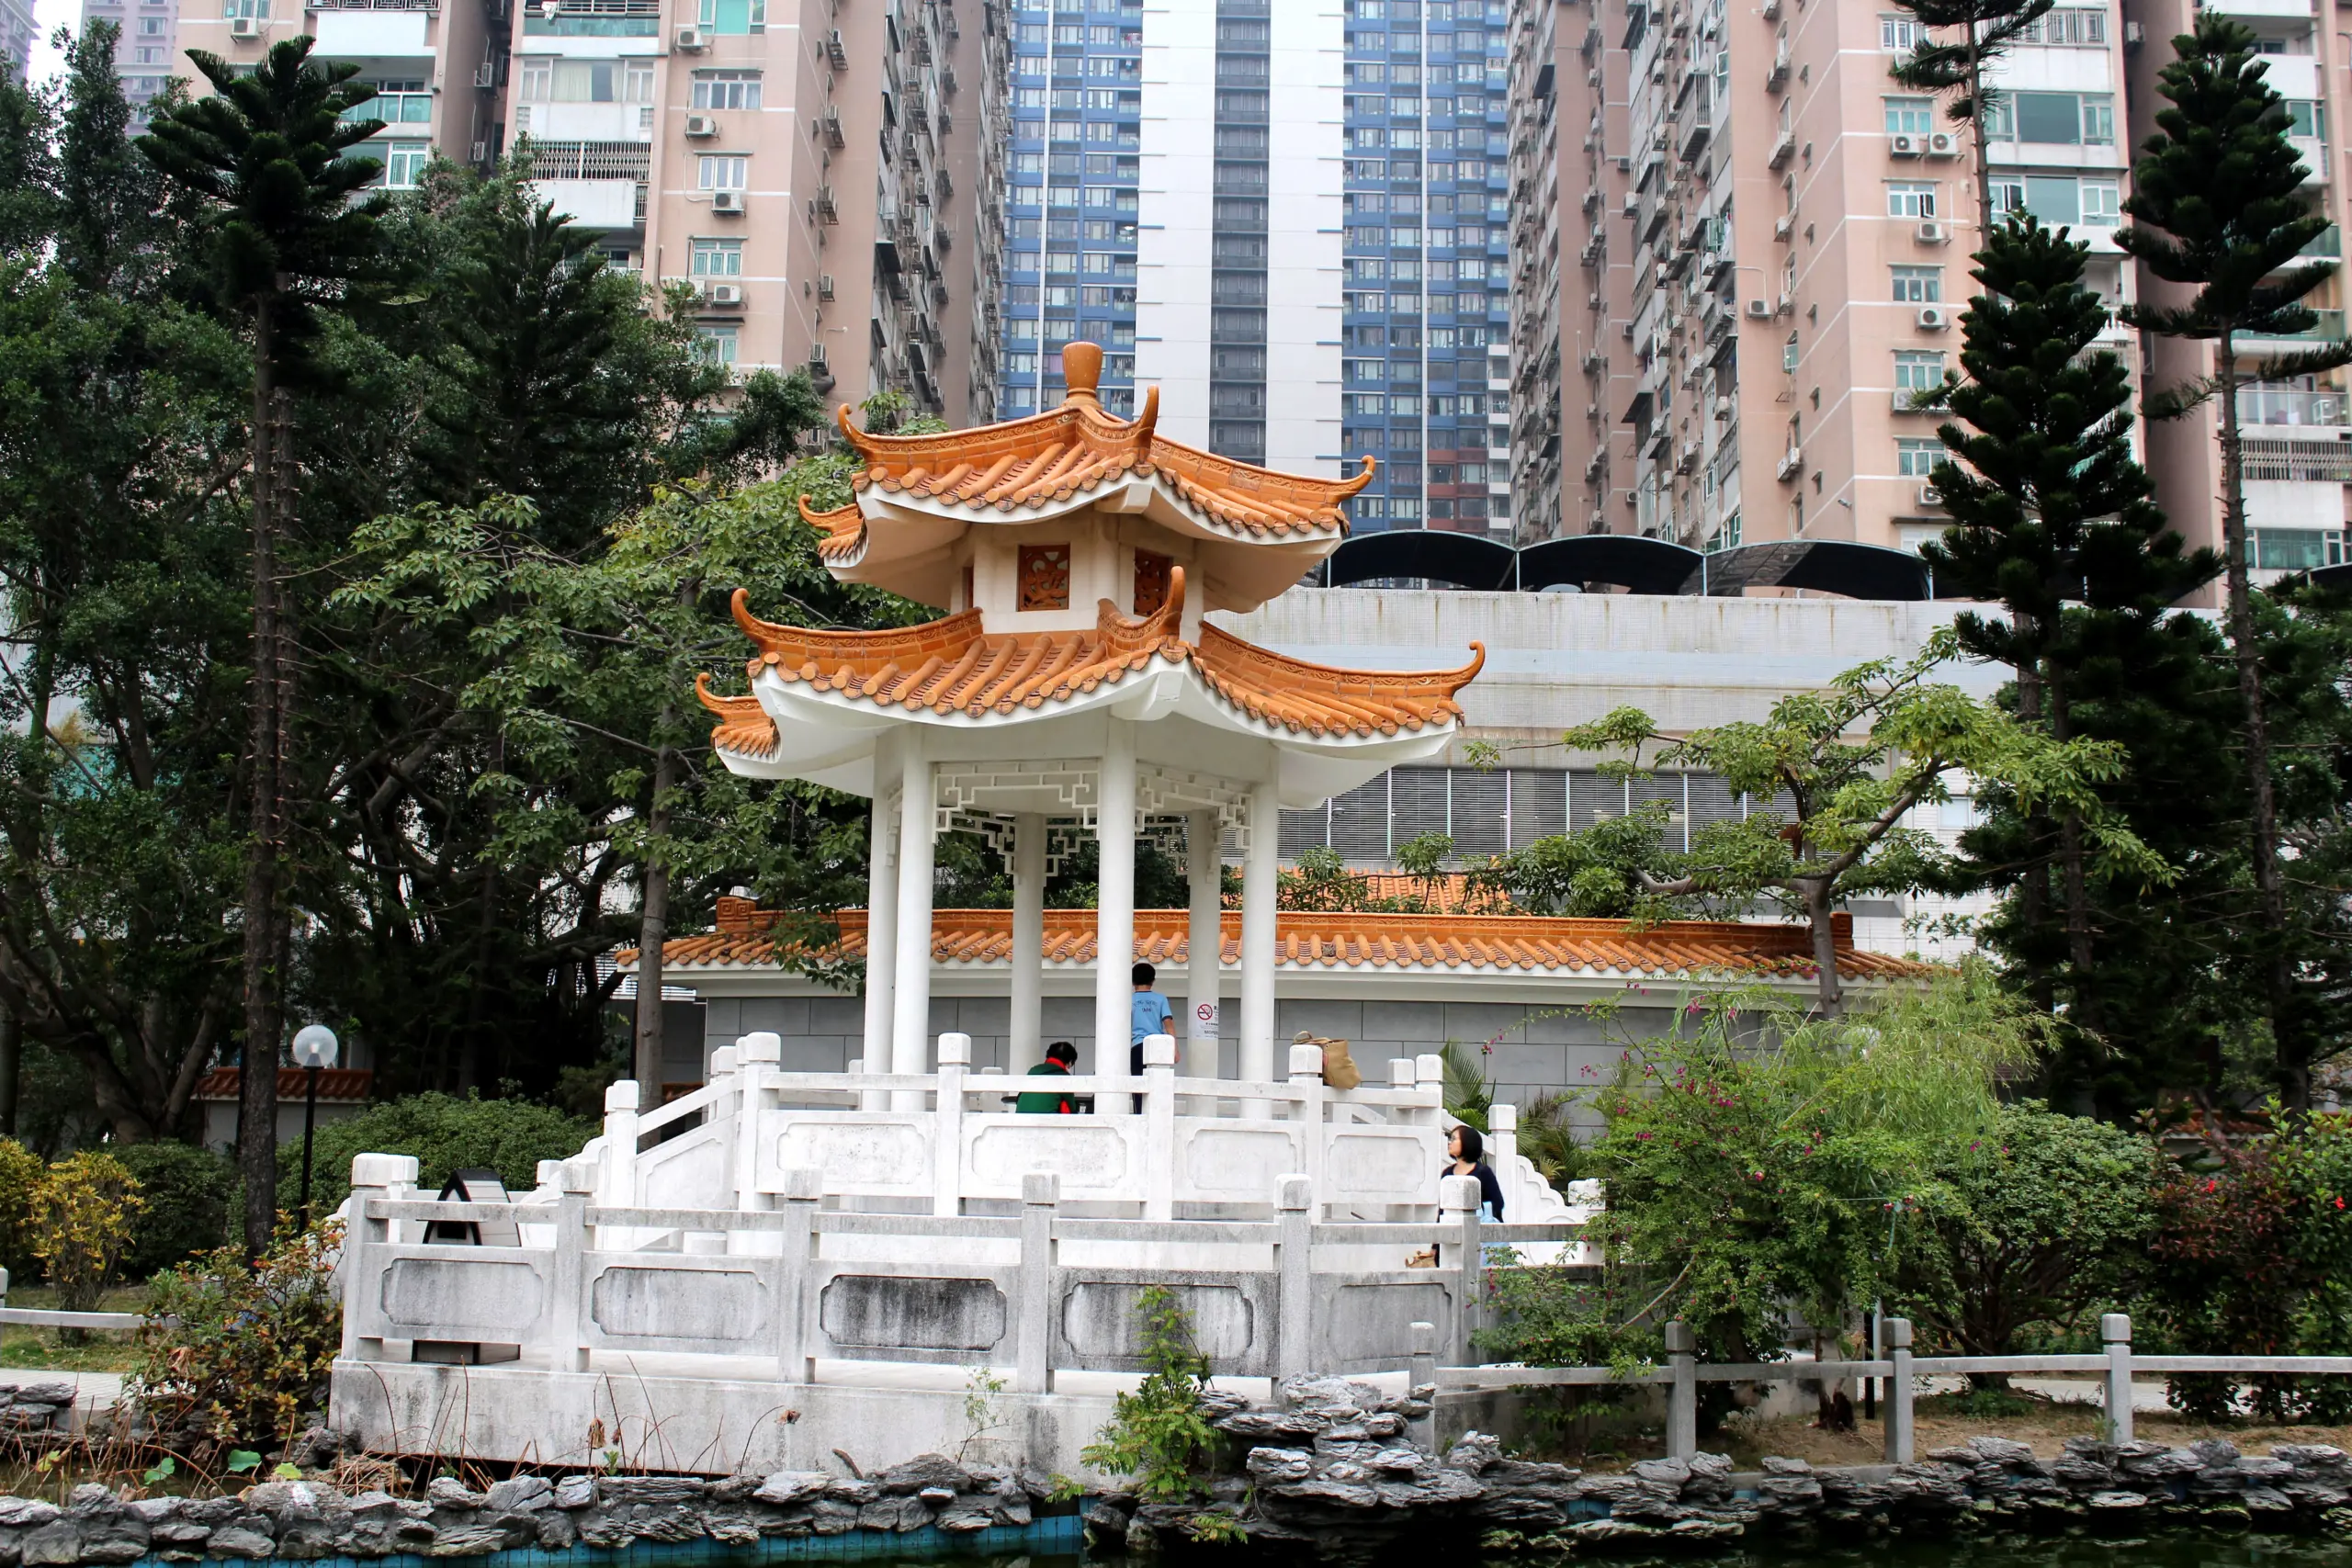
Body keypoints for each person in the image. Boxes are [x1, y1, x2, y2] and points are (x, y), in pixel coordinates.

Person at [1128, 961, 1173, 1110]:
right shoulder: (1161, 999)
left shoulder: (1128, 1000)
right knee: (1159, 1085)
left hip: (1137, 1047)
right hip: (1157, 1048)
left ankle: (1139, 1114)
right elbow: (1168, 1024)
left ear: (1133, 981)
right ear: (1153, 981)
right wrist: (1174, 1049)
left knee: (1138, 1085)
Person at [1444, 1123, 1506, 1223]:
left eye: (1454, 1139)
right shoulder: (1447, 1173)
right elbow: (1442, 1209)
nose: (1449, 1143)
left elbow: (1497, 1203)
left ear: (1467, 1142)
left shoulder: (1483, 1172)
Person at [1016, 1042, 1080, 1113]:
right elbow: (1072, 1108)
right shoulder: (1064, 1076)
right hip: (1046, 1121)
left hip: (1020, 1120)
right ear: (1070, 1062)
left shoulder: (1033, 1070)